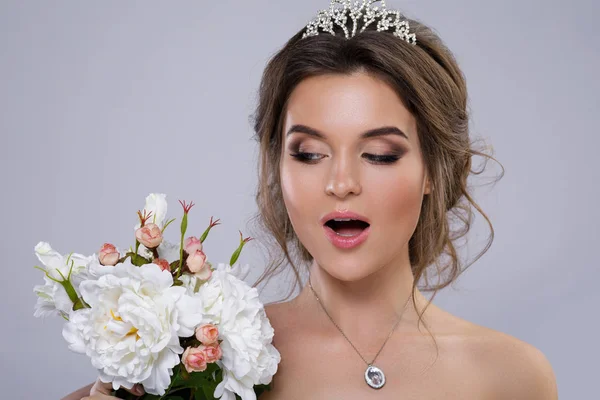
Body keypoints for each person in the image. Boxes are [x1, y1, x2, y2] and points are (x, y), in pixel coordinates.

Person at [64, 1, 558, 399]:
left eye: (380, 154)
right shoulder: (202, 352)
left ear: (432, 169)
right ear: (278, 166)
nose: (341, 182)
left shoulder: (512, 377)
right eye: (310, 153)